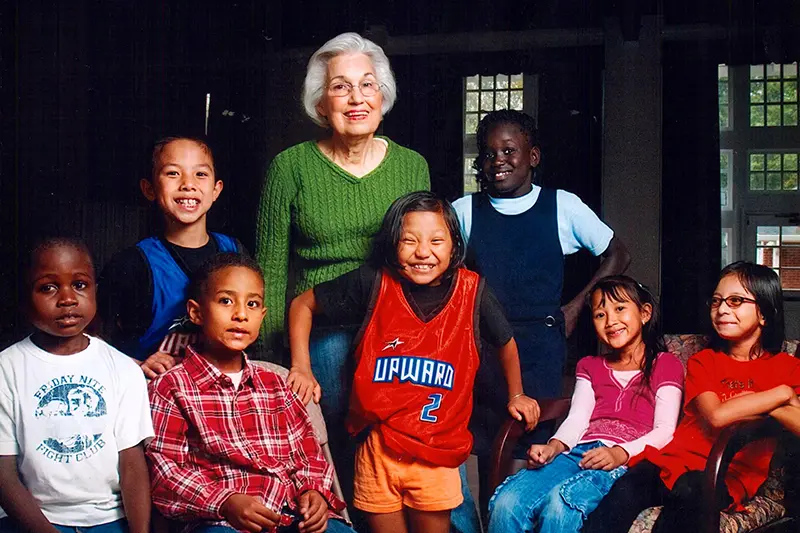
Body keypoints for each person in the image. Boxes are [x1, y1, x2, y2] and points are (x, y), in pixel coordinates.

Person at [288, 192, 540, 533]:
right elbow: (303, 305)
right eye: (409, 241)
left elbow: (506, 342)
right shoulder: (372, 282)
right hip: (377, 449)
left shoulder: (473, 291)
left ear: (454, 246)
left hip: (437, 453)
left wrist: (517, 394)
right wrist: (301, 365)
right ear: (393, 244)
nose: (423, 252)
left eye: (436, 240)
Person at [583, 261, 800, 533]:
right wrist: (780, 397)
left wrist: (776, 396)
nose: (721, 310)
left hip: (722, 475)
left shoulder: (787, 368)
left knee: (690, 491)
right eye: (716, 301)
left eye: (735, 301)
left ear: (764, 314)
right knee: (623, 493)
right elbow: (717, 416)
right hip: (671, 461)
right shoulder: (704, 361)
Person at [146, 253, 353, 533]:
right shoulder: (171, 387)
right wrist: (224, 502)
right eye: (226, 301)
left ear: (262, 315)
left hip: (289, 514)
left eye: (252, 304)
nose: (241, 314)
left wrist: (313, 492)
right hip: (220, 519)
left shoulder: (277, 384)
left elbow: (307, 455)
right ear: (196, 312)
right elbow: (165, 472)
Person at [487, 276, 684, 533]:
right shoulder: (590, 366)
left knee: (562, 504)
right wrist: (554, 447)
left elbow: (665, 430)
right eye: (600, 314)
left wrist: (620, 453)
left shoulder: (665, 364)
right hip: (578, 452)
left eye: (620, 308)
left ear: (645, 313)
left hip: (628, 461)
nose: (611, 321)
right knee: (508, 502)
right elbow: (578, 419)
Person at [0, 238, 153, 533]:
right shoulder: (7, 368)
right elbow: (3, 474)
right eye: (48, 287)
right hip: (32, 518)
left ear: (96, 289)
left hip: (108, 519)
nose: (67, 299)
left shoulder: (123, 369)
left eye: (80, 285)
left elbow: (132, 465)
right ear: (24, 297)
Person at [98, 136, 244, 378]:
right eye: (173, 173)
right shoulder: (133, 263)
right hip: (153, 392)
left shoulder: (234, 252)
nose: (188, 184)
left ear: (216, 189)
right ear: (150, 189)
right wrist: (136, 365)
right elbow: (92, 338)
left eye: (200, 174)